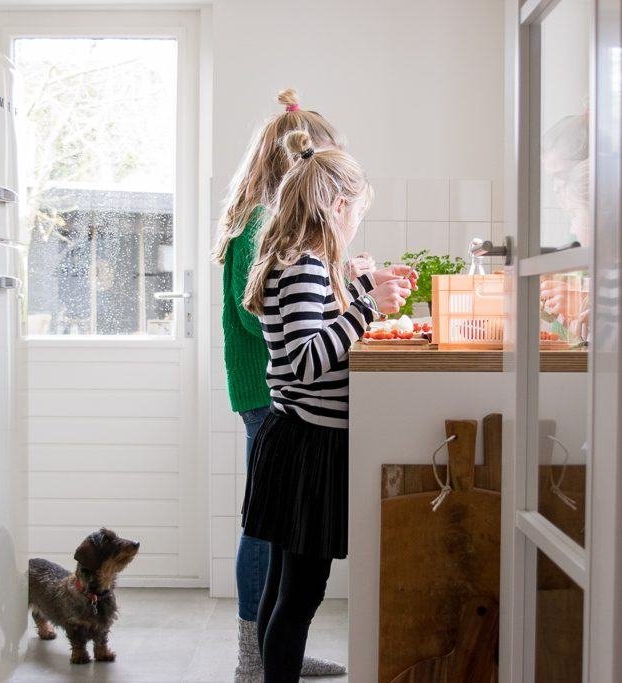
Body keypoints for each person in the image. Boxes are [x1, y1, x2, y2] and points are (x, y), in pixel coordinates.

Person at [241, 130, 415, 681]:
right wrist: (366, 306)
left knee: (282, 591)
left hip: (295, 440)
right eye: (356, 212)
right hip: (308, 449)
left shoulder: (300, 260)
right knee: (299, 599)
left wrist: (361, 281)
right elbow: (307, 362)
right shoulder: (306, 266)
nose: (354, 224)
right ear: (338, 205)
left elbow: (306, 332)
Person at [213, 88, 357, 680]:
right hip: (264, 395)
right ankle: (257, 655)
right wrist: (346, 307)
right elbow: (258, 315)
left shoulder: (279, 226)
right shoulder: (263, 227)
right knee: (268, 531)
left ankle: (275, 651)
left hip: (273, 394)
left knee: (278, 537)